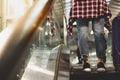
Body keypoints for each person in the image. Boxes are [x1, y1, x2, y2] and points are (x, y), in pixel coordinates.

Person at [67, 0, 112, 72]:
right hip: (81, 4)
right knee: (83, 34)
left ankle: (100, 61)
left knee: (98, 33)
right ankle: (85, 61)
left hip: (95, 3)